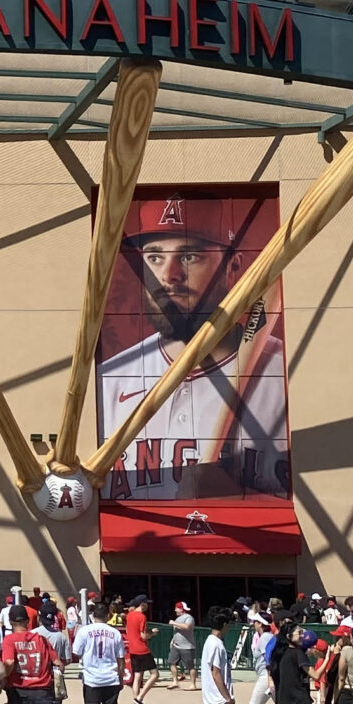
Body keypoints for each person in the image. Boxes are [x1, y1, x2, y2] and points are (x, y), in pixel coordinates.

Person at [95, 196, 290, 500]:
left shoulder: (286, 375)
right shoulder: (108, 380)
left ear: (232, 266)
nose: (169, 275)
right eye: (155, 257)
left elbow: (335, 501)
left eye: (189, 256)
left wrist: (241, 501)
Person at [73, 604, 125, 704]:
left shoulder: (84, 631)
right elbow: (120, 657)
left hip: (92, 677)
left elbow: (76, 651)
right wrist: (120, 677)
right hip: (111, 675)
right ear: (108, 616)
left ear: (92, 615)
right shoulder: (114, 632)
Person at [124, 599, 155, 704]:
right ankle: (139, 698)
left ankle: (136, 703)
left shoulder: (129, 615)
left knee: (137, 676)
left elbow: (130, 631)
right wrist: (152, 633)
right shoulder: (141, 616)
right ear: (142, 604)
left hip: (133, 649)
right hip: (142, 649)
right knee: (155, 674)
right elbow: (143, 636)